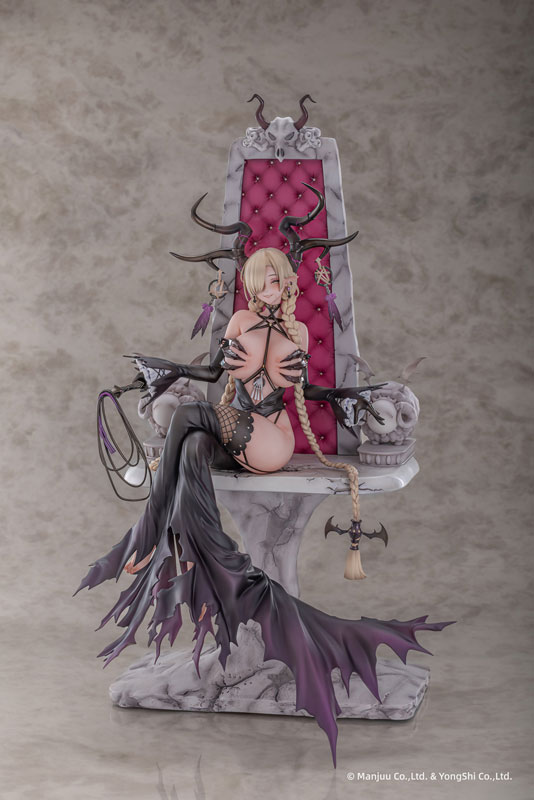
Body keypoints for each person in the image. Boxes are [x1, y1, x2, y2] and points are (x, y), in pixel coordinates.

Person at [76, 247, 452, 767]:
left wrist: (344, 394)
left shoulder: (295, 333)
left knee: (187, 418)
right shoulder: (239, 320)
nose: (268, 290)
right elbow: (214, 373)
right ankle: (195, 545)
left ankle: (152, 520)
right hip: (237, 430)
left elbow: (299, 389)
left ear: (287, 284)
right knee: (190, 444)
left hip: (270, 439)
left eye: (276, 281)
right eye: (260, 282)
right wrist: (164, 373)